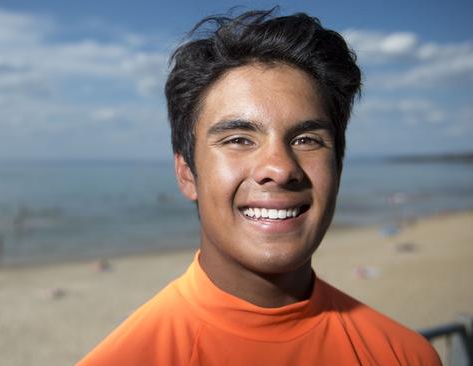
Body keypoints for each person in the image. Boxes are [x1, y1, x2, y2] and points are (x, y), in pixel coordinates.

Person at [79, 8, 440, 365]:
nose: (280, 168)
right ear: (187, 173)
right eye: (238, 139)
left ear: (338, 167)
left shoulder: (405, 355)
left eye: (307, 140)